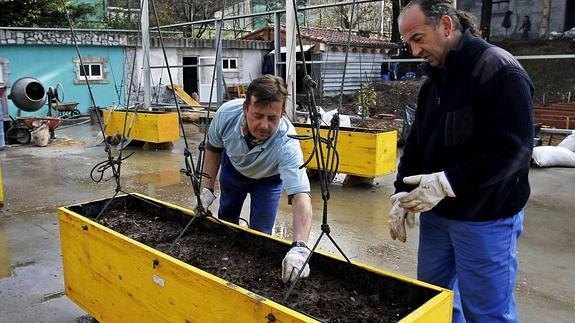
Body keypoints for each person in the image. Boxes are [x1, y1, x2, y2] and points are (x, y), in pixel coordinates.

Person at [389, 1, 534, 322]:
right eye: (408, 43)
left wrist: (447, 182)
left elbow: (514, 149)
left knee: (487, 313)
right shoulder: (434, 83)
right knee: (432, 302)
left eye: (418, 38)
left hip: (486, 217)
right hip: (438, 217)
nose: (414, 51)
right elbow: (416, 144)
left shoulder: (499, 71)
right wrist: (400, 193)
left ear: (445, 25)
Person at [196, 74, 313, 284]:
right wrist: (206, 189)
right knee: (226, 220)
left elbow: (300, 195)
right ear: (245, 108)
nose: (264, 125)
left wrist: (300, 247)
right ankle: (220, 269)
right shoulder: (226, 115)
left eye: (272, 118)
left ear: (282, 113)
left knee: (260, 235)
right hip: (233, 169)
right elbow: (213, 149)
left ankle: (252, 282)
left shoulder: (288, 142)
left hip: (268, 181)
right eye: (258, 116)